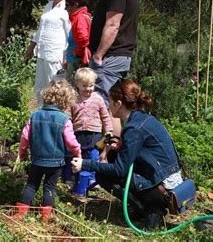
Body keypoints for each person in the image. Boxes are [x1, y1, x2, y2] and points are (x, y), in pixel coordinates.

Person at [71, 80, 183, 230]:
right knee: (112, 157)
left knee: (102, 175)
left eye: (110, 103)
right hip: (167, 176)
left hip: (165, 187)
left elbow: (119, 170)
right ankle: (144, 205)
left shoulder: (134, 128)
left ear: (118, 104)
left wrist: (85, 164)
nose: (108, 107)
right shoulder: (142, 117)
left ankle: (151, 210)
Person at [89, 0, 140, 137]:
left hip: (110, 56)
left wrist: (99, 56)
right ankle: (109, 155)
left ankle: (106, 156)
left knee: (106, 107)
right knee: (113, 106)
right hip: (119, 56)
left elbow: (112, 25)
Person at [15, 80, 81, 221]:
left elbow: (24, 137)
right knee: (49, 187)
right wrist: (77, 153)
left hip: (37, 160)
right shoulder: (64, 119)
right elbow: (71, 141)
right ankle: (45, 217)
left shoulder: (35, 116)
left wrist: (23, 153)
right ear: (66, 101)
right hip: (55, 163)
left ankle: (20, 213)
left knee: (31, 185)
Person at [25, 0, 71, 106]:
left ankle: (57, 118)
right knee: (40, 87)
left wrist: (66, 56)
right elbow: (41, 29)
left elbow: (70, 34)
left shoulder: (66, 9)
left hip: (56, 55)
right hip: (42, 53)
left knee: (56, 87)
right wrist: (31, 47)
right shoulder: (48, 5)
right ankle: (41, 116)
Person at [70, 68, 113, 186]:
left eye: (91, 85)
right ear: (77, 84)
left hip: (95, 134)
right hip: (78, 134)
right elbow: (69, 117)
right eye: (84, 86)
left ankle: (94, 179)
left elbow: (105, 117)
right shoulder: (73, 99)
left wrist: (108, 130)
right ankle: (78, 179)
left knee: (94, 155)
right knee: (79, 155)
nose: (88, 89)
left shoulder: (98, 99)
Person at [65, 0, 92, 85]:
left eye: (67, 5)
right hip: (75, 61)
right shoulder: (82, 17)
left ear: (75, 4)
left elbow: (84, 39)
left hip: (77, 63)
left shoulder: (80, 18)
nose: (66, 8)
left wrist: (78, 53)